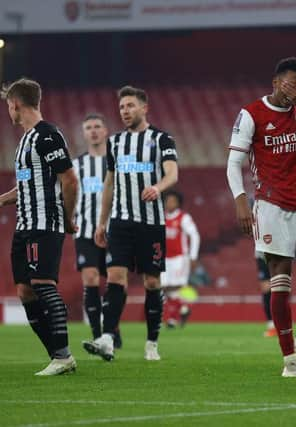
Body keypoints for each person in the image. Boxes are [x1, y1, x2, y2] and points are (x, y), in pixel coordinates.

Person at [227, 57, 296, 377]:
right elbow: (234, 163)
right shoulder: (251, 114)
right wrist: (241, 201)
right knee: (280, 281)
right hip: (272, 206)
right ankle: (289, 358)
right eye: (290, 82)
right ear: (275, 82)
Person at [82, 85, 178, 361]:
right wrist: (101, 223)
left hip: (151, 223)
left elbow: (173, 173)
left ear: (144, 108)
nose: (125, 111)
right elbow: (109, 184)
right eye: (122, 107)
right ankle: (108, 338)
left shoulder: (162, 139)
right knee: (114, 276)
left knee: (151, 282)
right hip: (120, 222)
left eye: (130, 106)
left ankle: (152, 343)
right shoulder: (114, 143)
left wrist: (158, 188)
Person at [0, 78, 78, 375]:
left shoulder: (47, 135)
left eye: (9, 106)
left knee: (43, 285)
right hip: (24, 226)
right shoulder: (24, 141)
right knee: (24, 291)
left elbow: (69, 179)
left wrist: (68, 218)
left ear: (15, 104)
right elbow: (25, 188)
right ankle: (58, 356)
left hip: (45, 223)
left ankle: (63, 356)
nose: (9, 111)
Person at [73, 113, 122, 348]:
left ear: (105, 131)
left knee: (115, 281)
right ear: (84, 133)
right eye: (88, 127)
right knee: (90, 278)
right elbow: (67, 195)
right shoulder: (76, 165)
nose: (93, 131)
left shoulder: (115, 164)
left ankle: (111, 329)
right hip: (85, 232)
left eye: (97, 126)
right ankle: (96, 334)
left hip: (114, 232)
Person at [161, 190, 199, 328]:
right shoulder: (162, 217)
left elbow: (194, 235)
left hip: (179, 258)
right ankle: (183, 308)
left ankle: (172, 318)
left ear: (178, 203)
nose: (170, 203)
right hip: (164, 259)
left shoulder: (183, 217)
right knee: (164, 287)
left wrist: (193, 256)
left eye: (173, 201)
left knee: (176, 286)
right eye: (167, 201)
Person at [256, 250, 277, 337]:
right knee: (267, 290)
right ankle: (272, 326)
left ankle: (278, 327)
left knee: (279, 288)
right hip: (262, 256)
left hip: (278, 255)